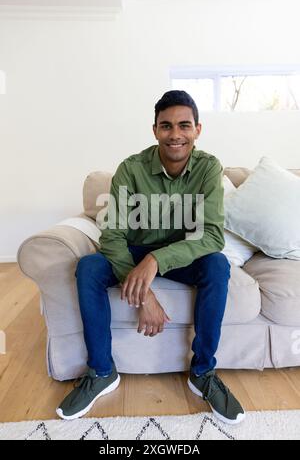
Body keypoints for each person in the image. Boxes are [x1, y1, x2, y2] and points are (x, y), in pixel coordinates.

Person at [56, 90, 245, 425]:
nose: (175, 134)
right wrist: (145, 292)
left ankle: (203, 372)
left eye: (184, 125)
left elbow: (212, 235)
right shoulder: (130, 169)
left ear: (197, 130)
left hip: (182, 256)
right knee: (88, 267)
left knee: (217, 264)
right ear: (155, 129)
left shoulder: (209, 167)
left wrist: (156, 261)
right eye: (166, 126)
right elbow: (112, 235)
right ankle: (101, 372)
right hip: (133, 250)